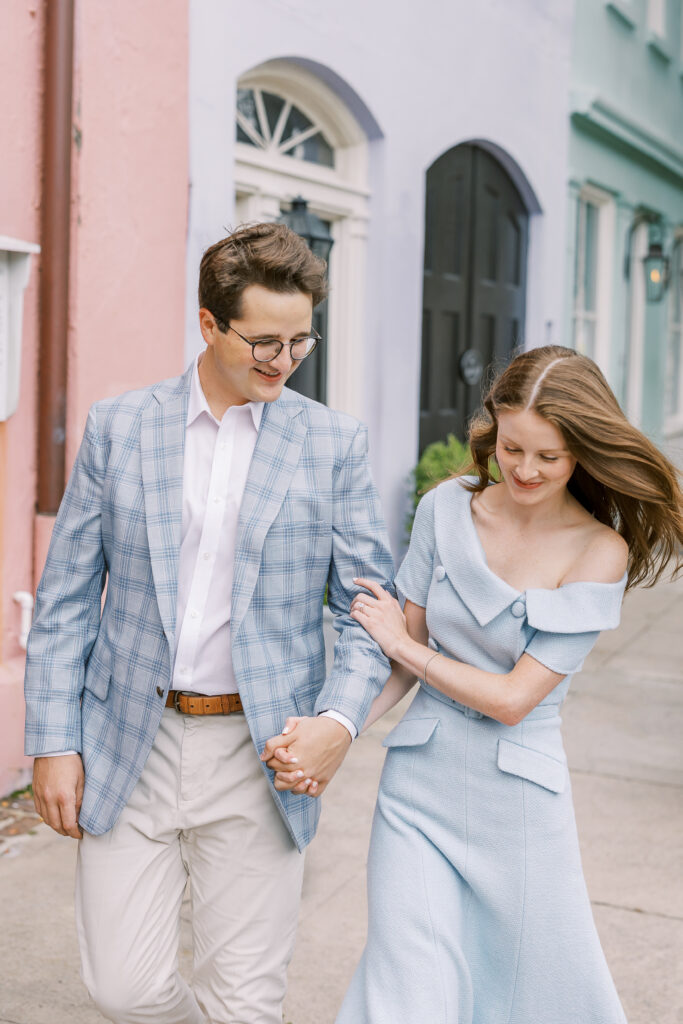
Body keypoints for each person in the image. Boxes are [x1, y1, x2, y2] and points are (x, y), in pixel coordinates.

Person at [23, 222, 394, 1024]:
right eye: (263, 340)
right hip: (131, 737)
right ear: (207, 324)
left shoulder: (333, 443)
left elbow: (369, 608)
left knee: (244, 1001)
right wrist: (53, 739)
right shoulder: (122, 427)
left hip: (261, 749)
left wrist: (337, 720)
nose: (283, 360)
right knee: (123, 987)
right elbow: (64, 598)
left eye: (300, 340)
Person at [277, 345, 683, 1023]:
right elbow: (396, 661)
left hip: (519, 804)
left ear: (581, 452)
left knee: (535, 996)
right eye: (510, 447)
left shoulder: (597, 551)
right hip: (418, 791)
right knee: (406, 988)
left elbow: (512, 699)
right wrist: (336, 730)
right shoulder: (445, 509)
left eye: (547, 457)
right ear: (491, 429)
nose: (524, 469)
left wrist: (403, 642)